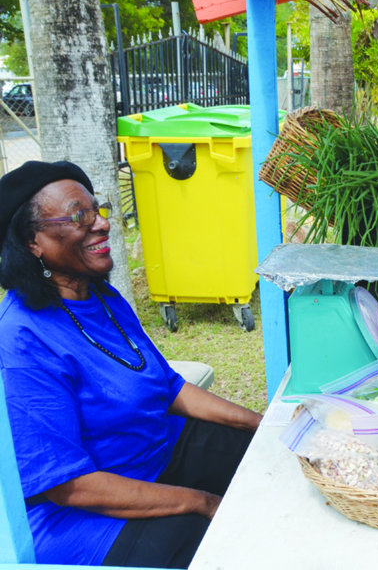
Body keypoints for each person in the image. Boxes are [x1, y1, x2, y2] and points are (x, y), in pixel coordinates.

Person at [0, 161, 263, 567]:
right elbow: (69, 486)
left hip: (156, 456)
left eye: (98, 209)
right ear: (33, 243)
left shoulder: (101, 296)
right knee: (221, 547)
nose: (102, 223)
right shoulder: (21, 340)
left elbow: (168, 387)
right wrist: (203, 502)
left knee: (268, 459)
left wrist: (261, 424)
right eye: (78, 215)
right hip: (82, 516)